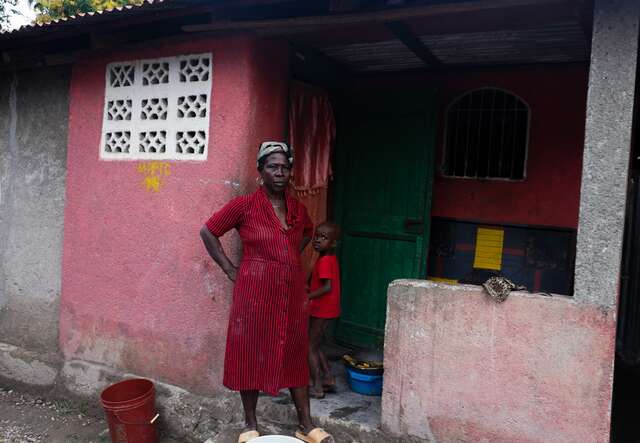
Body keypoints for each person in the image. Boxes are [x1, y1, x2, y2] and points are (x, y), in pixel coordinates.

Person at [199, 141, 334, 443]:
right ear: (260, 171)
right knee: (251, 352)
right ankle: (250, 424)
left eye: (285, 167)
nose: (280, 172)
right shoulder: (244, 205)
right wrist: (231, 270)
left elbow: (309, 233)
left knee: (295, 353)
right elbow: (208, 232)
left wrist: (287, 260)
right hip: (254, 292)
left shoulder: (297, 209)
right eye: (273, 166)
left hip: (291, 292)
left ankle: (306, 425)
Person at [307, 222, 341, 399]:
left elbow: (327, 287)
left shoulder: (325, 261)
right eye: (316, 236)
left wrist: (308, 297)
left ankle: (317, 387)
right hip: (328, 309)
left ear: (333, 243)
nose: (318, 240)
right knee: (316, 343)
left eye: (324, 238)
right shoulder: (328, 259)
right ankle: (328, 378)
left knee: (309, 346)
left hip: (322, 309)